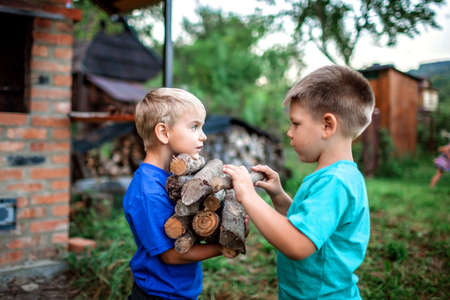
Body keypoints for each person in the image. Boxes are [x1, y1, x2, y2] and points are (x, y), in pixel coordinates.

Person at [223, 65, 375, 299]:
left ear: (327, 125)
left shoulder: (334, 182)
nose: (289, 132)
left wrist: (249, 196)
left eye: (296, 123)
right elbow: (310, 222)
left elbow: (297, 243)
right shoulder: (338, 176)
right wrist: (279, 196)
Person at [123, 88, 224, 300]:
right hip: (158, 295)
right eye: (194, 126)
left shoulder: (175, 178)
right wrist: (223, 248)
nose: (203, 136)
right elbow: (171, 256)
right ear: (164, 133)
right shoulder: (147, 191)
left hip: (180, 292)